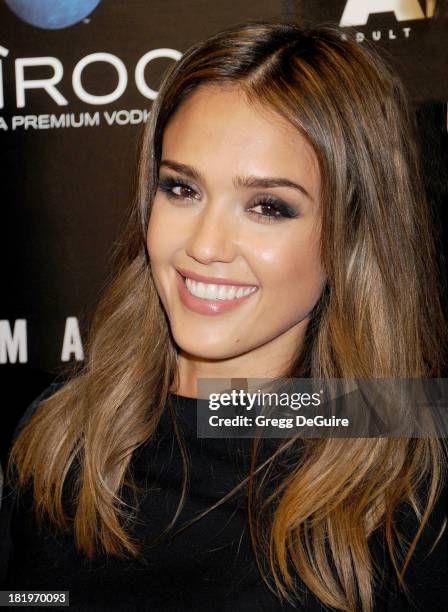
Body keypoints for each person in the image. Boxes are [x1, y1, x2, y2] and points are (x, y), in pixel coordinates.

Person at [1, 19, 447, 612]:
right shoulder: (60, 434)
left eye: (268, 206)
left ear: (351, 235)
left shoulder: (407, 469)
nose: (206, 246)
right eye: (182, 190)